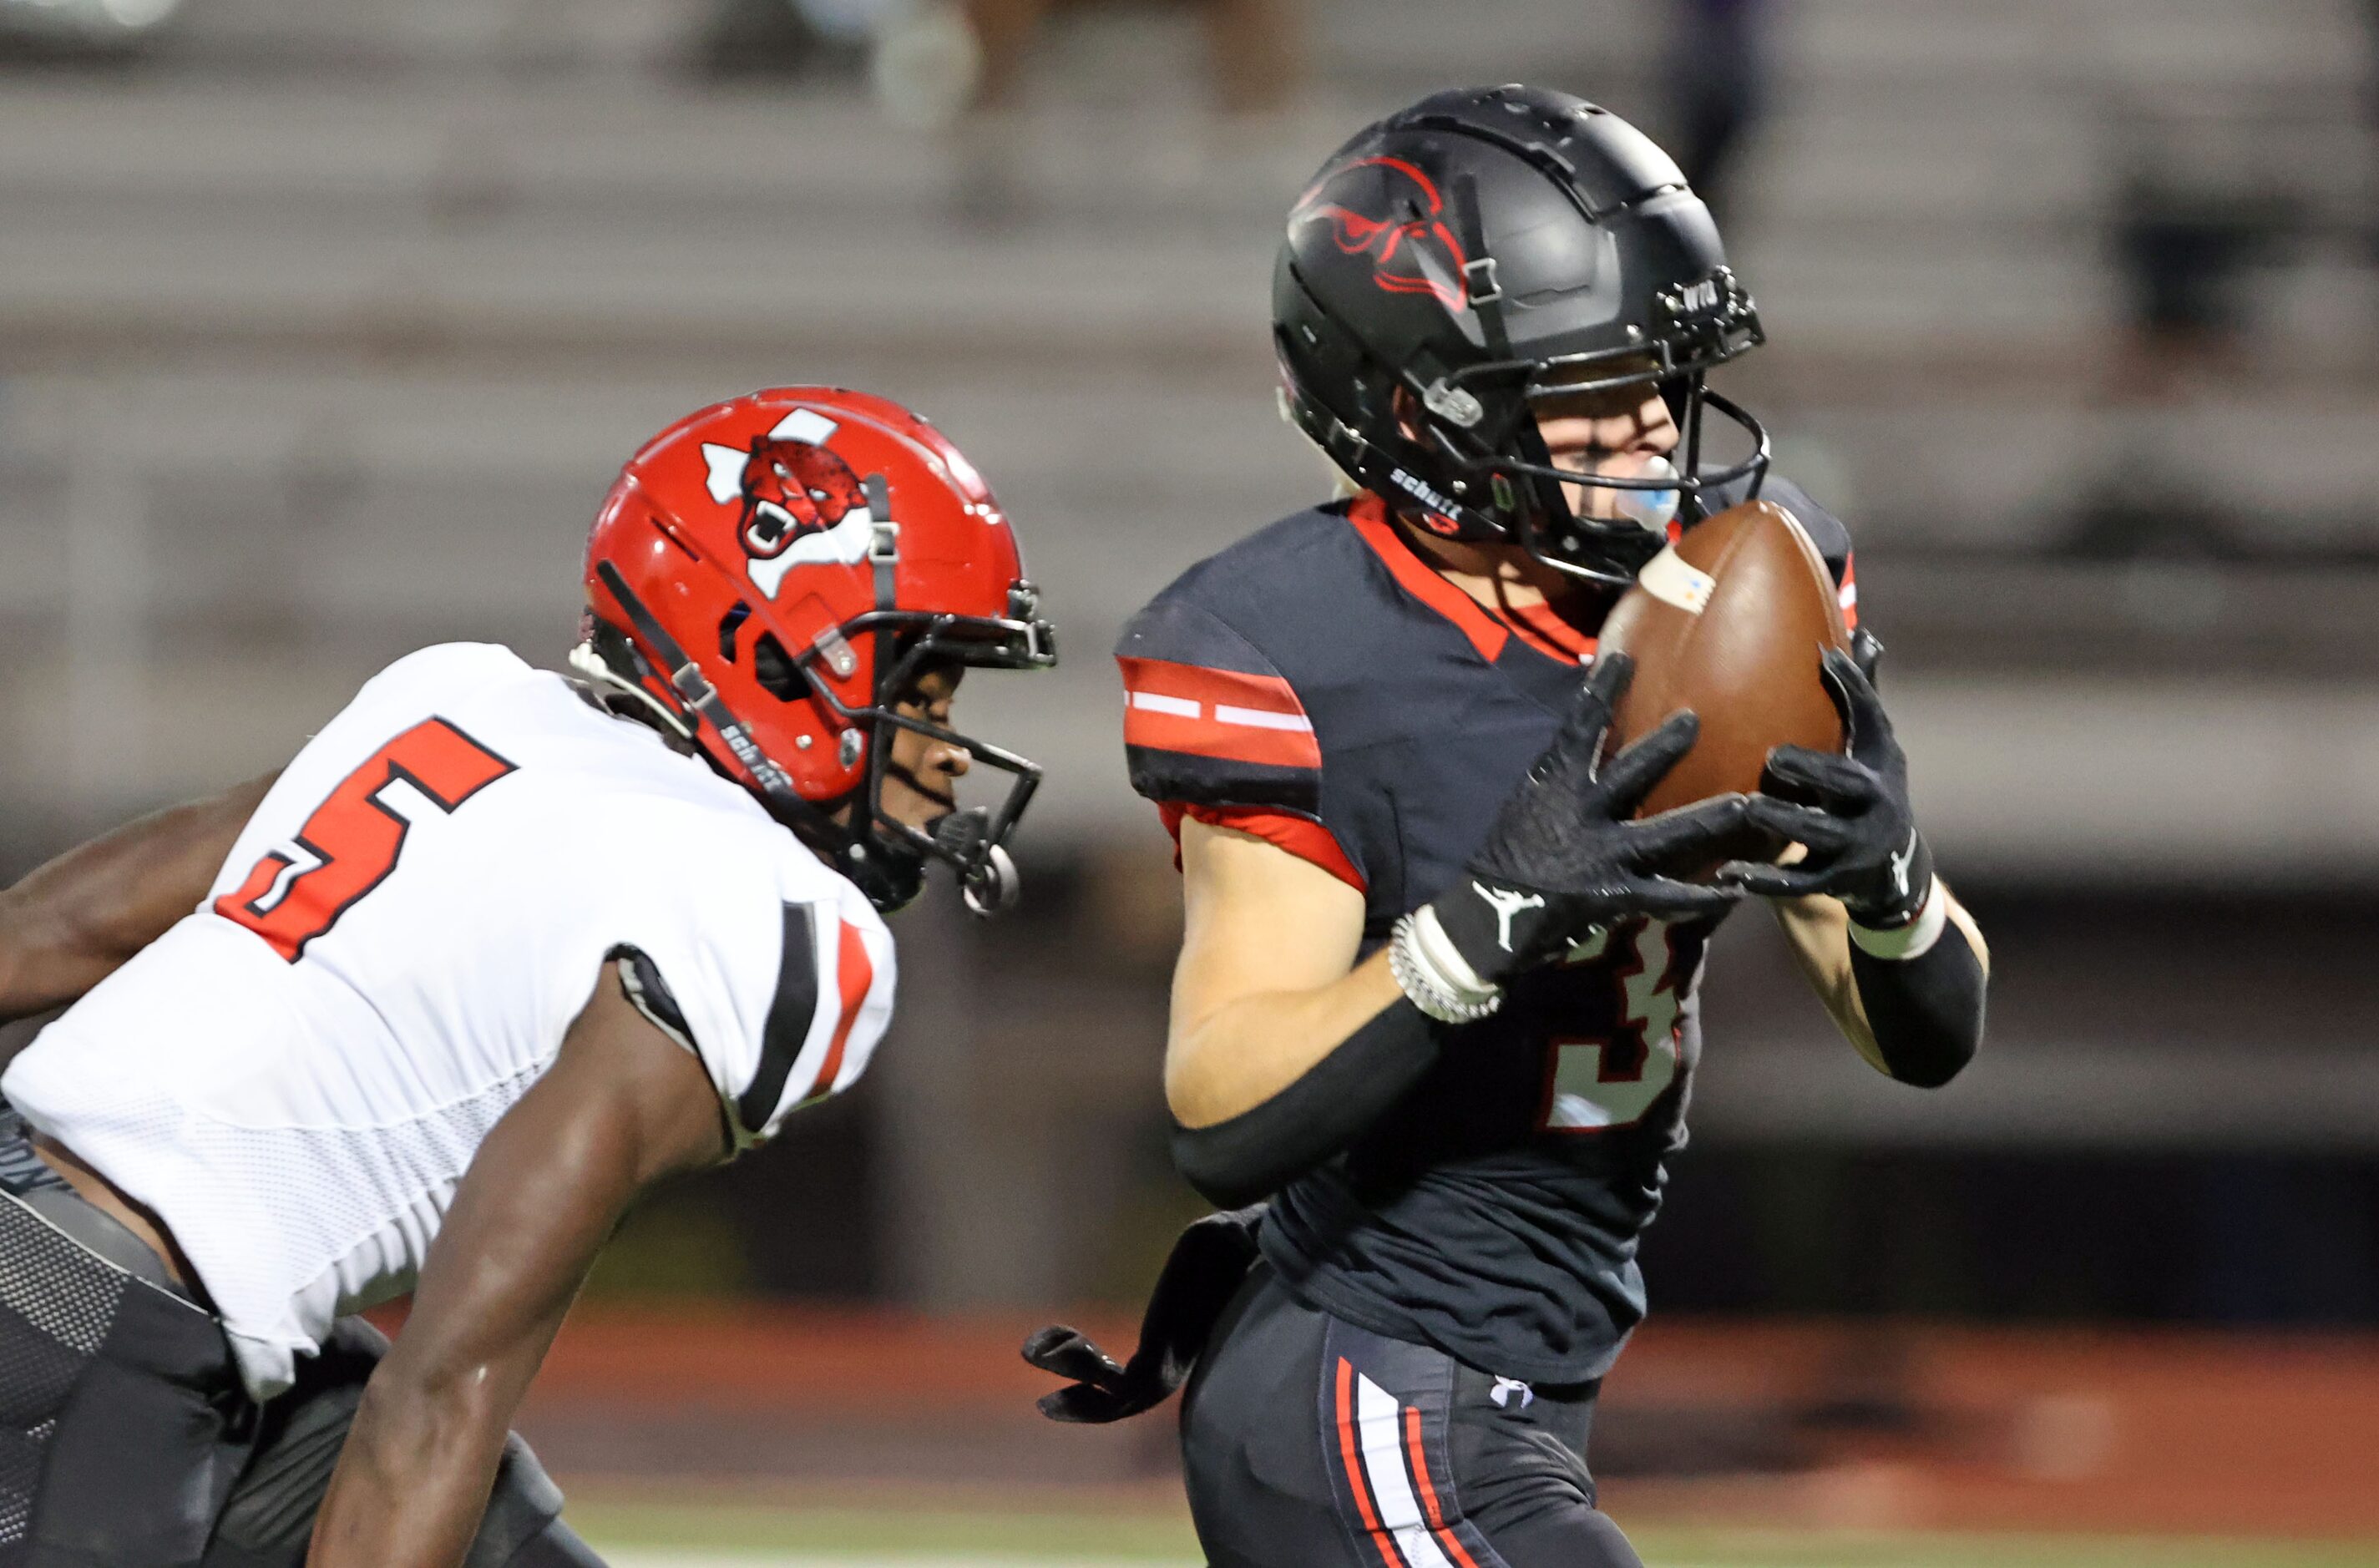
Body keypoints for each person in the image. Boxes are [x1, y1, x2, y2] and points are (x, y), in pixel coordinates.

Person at [1025, 86, 1989, 1568]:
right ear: (1418, 413)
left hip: (1533, 1379)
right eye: (1592, 390)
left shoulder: (1731, 575)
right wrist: (1485, 919)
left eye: (1664, 376)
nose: (1656, 434)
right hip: (1367, 1382)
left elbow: (1926, 1035)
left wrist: (1889, 880)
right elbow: (1219, 1110)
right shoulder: (1301, 644)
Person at [0, 387, 1056, 1565]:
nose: (947, 746)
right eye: (919, 688)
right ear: (769, 649)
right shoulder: (769, 913)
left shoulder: (463, 699)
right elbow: (441, 1387)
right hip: (89, 1340)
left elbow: (59, 929)